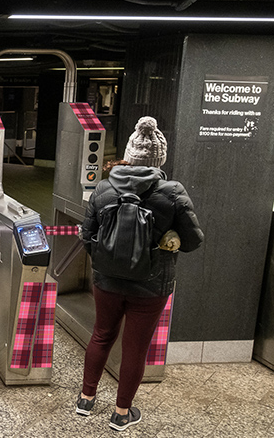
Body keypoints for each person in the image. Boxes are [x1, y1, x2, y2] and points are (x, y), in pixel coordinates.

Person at [76, 116, 204, 431]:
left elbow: (87, 237)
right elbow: (193, 241)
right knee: (135, 348)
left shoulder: (104, 188)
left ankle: (86, 399)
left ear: (129, 155)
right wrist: (169, 236)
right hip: (151, 284)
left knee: (101, 334)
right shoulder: (173, 192)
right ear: (159, 159)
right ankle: (122, 413)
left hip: (107, 281)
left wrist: (108, 261)